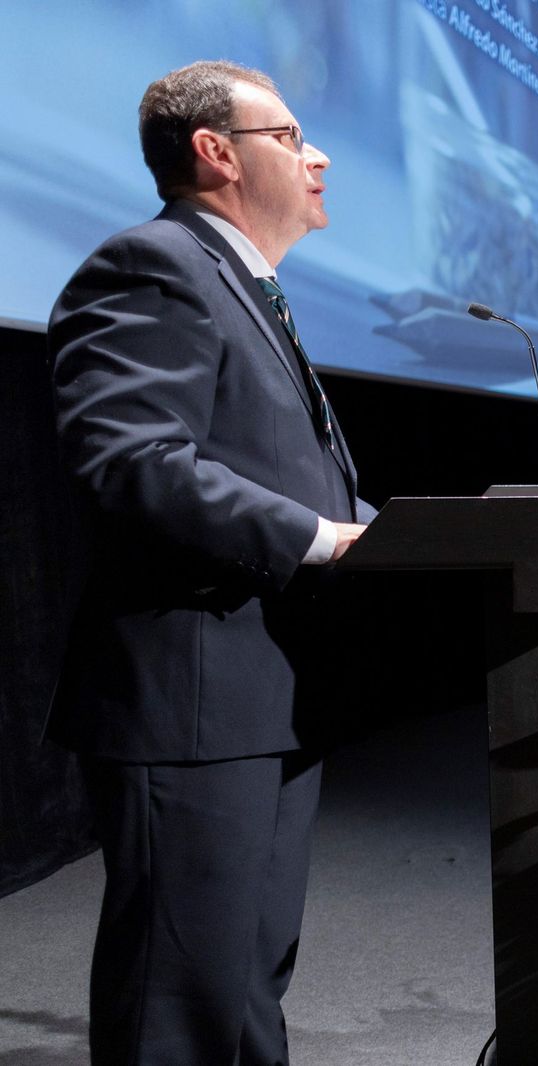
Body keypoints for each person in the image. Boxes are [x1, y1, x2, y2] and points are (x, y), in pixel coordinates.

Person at [47, 61, 373, 1064]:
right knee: (177, 1006)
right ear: (216, 152)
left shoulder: (248, 285)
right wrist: (321, 538)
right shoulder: (152, 265)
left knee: (241, 988)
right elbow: (134, 459)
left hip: (262, 695)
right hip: (187, 701)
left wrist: (372, 522)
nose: (317, 156)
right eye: (291, 136)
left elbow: (276, 462)